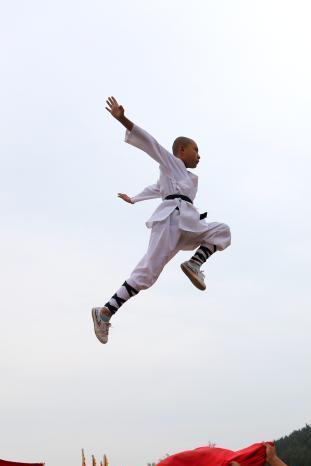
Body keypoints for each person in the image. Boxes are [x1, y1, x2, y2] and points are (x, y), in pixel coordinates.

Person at [92, 96, 232, 344]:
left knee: (222, 231)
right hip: (170, 221)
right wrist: (123, 119)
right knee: (148, 274)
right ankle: (105, 312)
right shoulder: (172, 163)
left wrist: (135, 198)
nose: (199, 155)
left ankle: (194, 264)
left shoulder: (186, 178)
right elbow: (152, 145)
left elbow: (157, 189)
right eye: (195, 149)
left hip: (187, 223)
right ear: (181, 151)